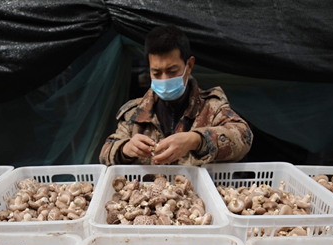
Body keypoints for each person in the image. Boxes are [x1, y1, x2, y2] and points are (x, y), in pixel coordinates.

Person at [99, 25, 252, 166]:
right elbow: (106, 152)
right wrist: (125, 149)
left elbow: (243, 136)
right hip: (149, 194)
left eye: (172, 71)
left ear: (189, 66)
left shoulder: (211, 107)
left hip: (196, 193)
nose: (164, 79)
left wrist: (196, 140)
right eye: (156, 73)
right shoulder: (135, 113)